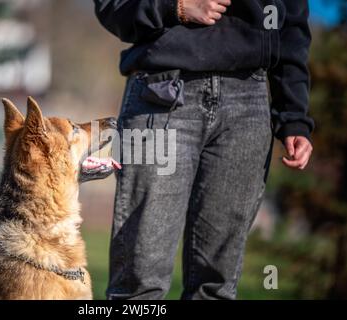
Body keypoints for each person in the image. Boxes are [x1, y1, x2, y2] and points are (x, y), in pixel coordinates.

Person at [94, 0, 314, 299]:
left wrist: (294, 117)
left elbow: (292, 27)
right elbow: (114, 7)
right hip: (162, 93)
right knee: (139, 284)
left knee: (215, 288)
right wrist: (176, 7)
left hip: (248, 103)